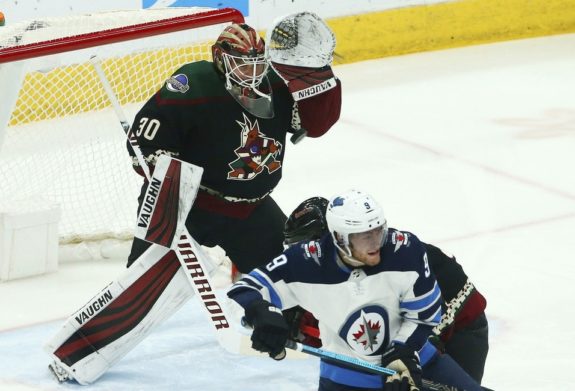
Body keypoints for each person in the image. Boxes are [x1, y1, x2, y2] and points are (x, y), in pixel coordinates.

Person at [127, 13, 341, 273]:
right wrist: (167, 179)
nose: (252, 73)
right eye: (242, 64)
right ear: (219, 58)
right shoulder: (193, 83)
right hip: (188, 205)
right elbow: (145, 139)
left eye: (257, 64)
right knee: (142, 280)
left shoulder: (275, 83)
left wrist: (318, 73)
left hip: (250, 209)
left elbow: (314, 125)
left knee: (286, 281)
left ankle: (265, 306)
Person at [228, 189, 483, 391]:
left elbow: (427, 317)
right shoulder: (309, 264)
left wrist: (405, 353)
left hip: (456, 326)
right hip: (355, 372)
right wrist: (262, 313)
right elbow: (250, 290)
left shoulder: (401, 255)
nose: (313, 252)